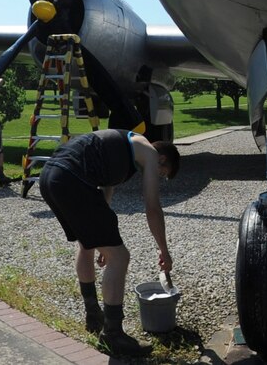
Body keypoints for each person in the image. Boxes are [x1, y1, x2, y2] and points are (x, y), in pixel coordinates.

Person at [39, 129, 179, 358]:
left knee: (87, 245)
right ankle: (113, 335)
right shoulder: (150, 154)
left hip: (51, 177)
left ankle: (93, 315)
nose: (160, 175)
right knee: (121, 257)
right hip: (70, 178)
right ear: (163, 159)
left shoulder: (124, 146)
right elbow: (152, 207)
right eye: (164, 173)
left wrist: (102, 239)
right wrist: (164, 250)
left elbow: (106, 189)